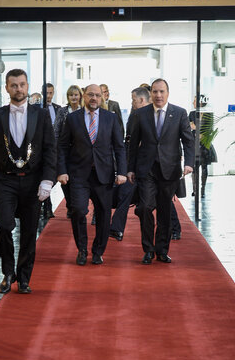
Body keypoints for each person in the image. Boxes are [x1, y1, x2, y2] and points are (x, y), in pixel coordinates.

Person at [0, 69, 56, 294]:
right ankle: (7, 272)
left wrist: (48, 180)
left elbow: (50, 149)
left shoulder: (41, 114)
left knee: (29, 232)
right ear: (6, 88)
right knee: (4, 226)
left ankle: (24, 278)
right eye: (14, 85)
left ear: (27, 85)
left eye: (22, 84)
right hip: (5, 180)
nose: (19, 89)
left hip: (33, 181)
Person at [57, 83, 127, 265]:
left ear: (102, 98)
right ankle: (81, 249)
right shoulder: (72, 119)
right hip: (79, 175)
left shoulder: (110, 118)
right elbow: (63, 147)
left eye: (97, 95)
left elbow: (119, 147)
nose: (94, 98)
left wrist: (122, 172)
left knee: (104, 213)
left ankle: (98, 251)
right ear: (83, 96)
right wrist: (62, 171)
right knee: (78, 211)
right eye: (90, 95)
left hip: (103, 175)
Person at [128, 78, 194, 264]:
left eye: (161, 91)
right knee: (146, 207)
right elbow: (133, 144)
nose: (158, 95)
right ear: (150, 94)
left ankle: (162, 250)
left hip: (169, 169)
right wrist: (130, 169)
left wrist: (189, 163)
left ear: (167, 93)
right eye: (155, 92)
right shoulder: (140, 114)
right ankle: (148, 249)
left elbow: (188, 141)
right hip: (146, 169)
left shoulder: (179, 113)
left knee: (165, 212)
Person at [109, 86, 151, 241]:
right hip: (134, 164)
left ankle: (174, 227)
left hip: (150, 167)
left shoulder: (152, 114)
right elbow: (131, 141)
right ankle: (117, 228)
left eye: (133, 99)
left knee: (160, 197)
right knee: (125, 193)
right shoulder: (135, 115)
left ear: (141, 100)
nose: (132, 102)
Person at [54, 84, 83, 217]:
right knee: (65, 180)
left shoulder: (84, 110)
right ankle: (70, 204)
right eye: (71, 95)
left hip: (80, 151)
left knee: (77, 179)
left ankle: (76, 205)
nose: (73, 97)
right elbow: (56, 130)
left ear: (80, 96)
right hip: (65, 150)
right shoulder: (62, 111)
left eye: (76, 94)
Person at [189, 95, 217, 198]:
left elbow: (209, 129)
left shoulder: (209, 115)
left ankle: (203, 189)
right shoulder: (192, 114)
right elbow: (190, 126)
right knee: (195, 168)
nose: (193, 102)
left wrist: (197, 129)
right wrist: (199, 129)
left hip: (205, 145)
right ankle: (194, 189)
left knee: (204, 167)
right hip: (194, 144)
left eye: (195, 100)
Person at [42, 82, 60, 219]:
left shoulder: (58, 109)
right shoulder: (37, 109)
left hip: (56, 149)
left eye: (50, 93)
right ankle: (47, 207)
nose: (48, 96)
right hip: (43, 149)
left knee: (53, 179)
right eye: (46, 93)